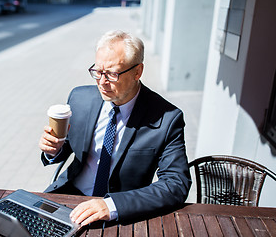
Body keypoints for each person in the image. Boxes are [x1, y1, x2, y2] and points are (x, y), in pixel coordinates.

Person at [39, 30, 191, 226]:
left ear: (138, 72)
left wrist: (111, 206)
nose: (102, 82)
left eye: (112, 73)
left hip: (121, 214)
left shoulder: (168, 118)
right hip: (69, 198)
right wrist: (53, 149)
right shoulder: (79, 98)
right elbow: (65, 147)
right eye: (98, 71)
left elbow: (176, 184)